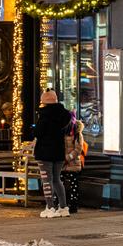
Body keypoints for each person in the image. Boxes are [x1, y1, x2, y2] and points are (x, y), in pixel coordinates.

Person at [33, 88, 72, 218]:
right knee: (57, 180)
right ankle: (63, 207)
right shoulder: (65, 115)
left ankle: (50, 207)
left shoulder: (44, 116)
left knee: (47, 180)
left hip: (44, 153)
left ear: (44, 102)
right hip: (59, 152)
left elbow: (38, 133)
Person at [61, 113, 88, 214]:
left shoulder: (77, 134)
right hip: (63, 164)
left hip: (73, 164)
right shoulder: (62, 133)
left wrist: (68, 158)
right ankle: (62, 203)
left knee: (73, 185)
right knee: (61, 184)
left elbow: (78, 149)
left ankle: (73, 205)